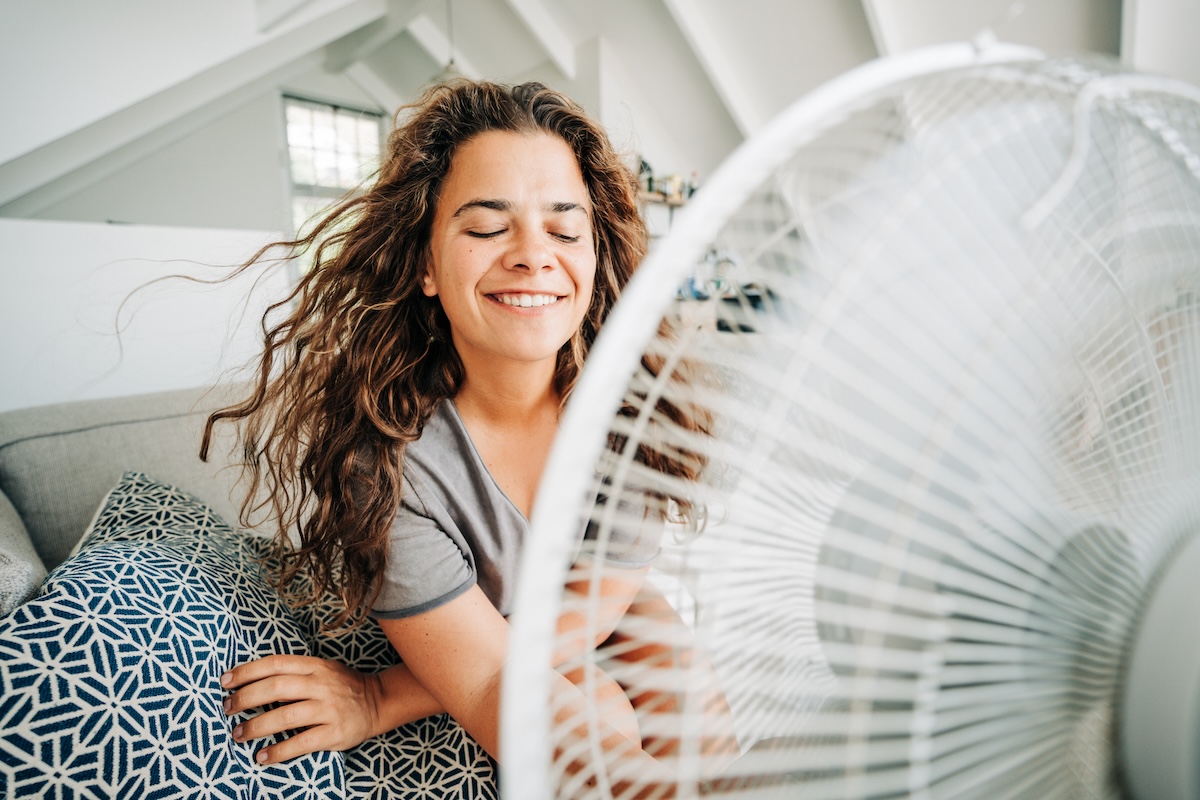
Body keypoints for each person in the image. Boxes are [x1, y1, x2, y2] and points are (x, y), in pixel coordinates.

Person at [202, 78, 732, 791]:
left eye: (565, 229)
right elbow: (488, 675)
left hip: (586, 603)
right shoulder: (390, 461)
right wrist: (378, 692)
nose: (532, 254)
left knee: (693, 701)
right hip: (452, 628)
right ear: (424, 264)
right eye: (487, 227)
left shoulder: (629, 417)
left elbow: (590, 611)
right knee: (602, 718)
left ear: (595, 256)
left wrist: (387, 696)